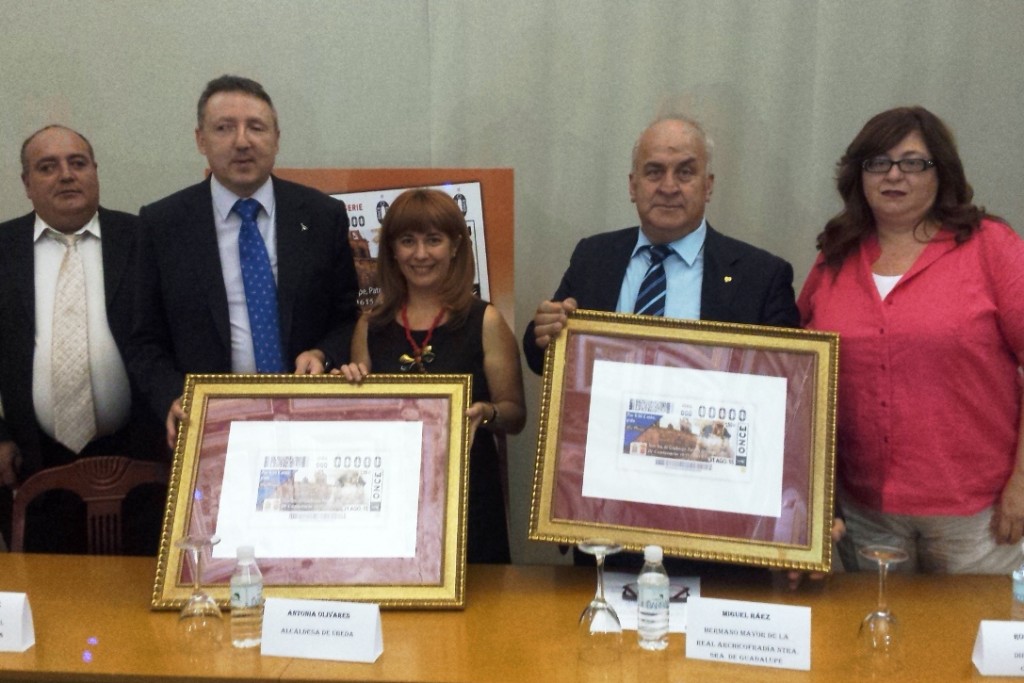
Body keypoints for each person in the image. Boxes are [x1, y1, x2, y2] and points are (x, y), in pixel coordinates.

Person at [798, 106, 1024, 573]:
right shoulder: (835, 259)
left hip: (979, 519)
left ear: (942, 171)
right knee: (877, 641)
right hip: (866, 513)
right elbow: (800, 375)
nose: (894, 174)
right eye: (878, 162)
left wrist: (1022, 484)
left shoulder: (990, 246)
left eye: (914, 162)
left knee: (977, 644)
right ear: (858, 175)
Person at [128, 75, 359, 447]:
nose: (242, 141)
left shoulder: (321, 215)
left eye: (256, 127)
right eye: (224, 128)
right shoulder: (163, 224)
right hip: (210, 427)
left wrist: (323, 354)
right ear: (200, 140)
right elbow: (145, 341)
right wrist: (172, 396)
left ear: (277, 138)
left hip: (311, 421)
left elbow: (348, 316)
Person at [523, 115, 800, 375]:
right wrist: (543, 332)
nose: (669, 187)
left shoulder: (762, 277)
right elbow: (545, 359)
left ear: (708, 186)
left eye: (685, 172)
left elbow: (785, 383)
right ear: (633, 186)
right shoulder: (594, 257)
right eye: (654, 172)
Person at [338, 189, 526, 563]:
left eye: (433, 240)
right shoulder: (369, 326)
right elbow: (358, 423)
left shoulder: (485, 320)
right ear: (391, 250)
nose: (420, 254)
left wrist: (486, 412)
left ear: (455, 246)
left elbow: (515, 414)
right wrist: (345, 390)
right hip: (390, 498)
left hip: (469, 493)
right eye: (407, 241)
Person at [0, 125, 164, 553]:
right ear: (26, 183)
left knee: (137, 599)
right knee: (52, 603)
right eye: (47, 167)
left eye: (78, 163)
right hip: (34, 465)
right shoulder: (2, 250)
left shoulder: (144, 238)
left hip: (142, 461)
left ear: (95, 172)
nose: (66, 175)